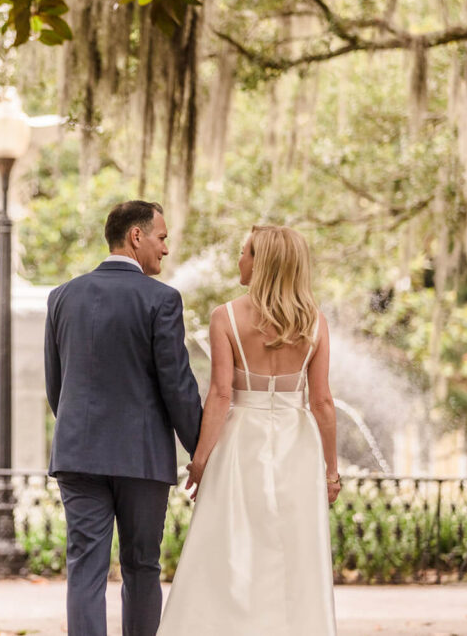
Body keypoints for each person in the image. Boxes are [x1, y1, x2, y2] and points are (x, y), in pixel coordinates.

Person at [157, 225, 339, 635]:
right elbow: (322, 401)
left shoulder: (226, 316)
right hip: (298, 443)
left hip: (240, 440)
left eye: (246, 253)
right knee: (293, 548)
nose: (240, 260)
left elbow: (221, 394)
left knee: (230, 543)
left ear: (263, 263)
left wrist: (200, 460)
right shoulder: (314, 321)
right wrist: (331, 469)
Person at [45, 200, 204, 636]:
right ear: (137, 237)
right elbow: (178, 386)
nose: (165, 249)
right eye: (161, 237)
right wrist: (202, 451)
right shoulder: (162, 300)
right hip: (141, 457)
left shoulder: (61, 297)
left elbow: (56, 387)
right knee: (141, 566)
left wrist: (81, 433)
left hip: (78, 455)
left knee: (84, 568)